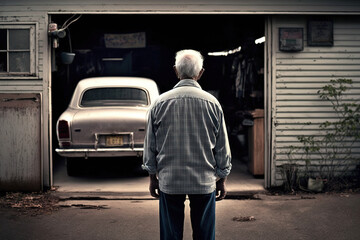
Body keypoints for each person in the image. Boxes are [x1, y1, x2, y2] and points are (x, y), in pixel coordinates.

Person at [142, 49, 232, 240]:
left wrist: (152, 177)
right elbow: (222, 146)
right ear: (200, 73)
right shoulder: (213, 103)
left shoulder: (159, 103)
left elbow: (150, 144)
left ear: (176, 71)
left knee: (170, 235)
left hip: (170, 180)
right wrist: (222, 178)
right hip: (204, 181)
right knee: (204, 235)